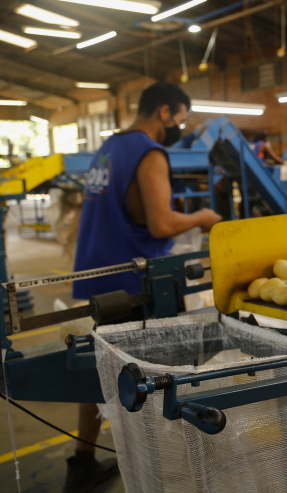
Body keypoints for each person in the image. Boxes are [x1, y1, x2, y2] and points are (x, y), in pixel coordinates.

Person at [68, 83, 222, 492]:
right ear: (165, 112)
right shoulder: (149, 152)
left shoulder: (108, 148)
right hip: (135, 281)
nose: (180, 127)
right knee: (154, 374)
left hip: (98, 278)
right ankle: (160, 466)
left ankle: (82, 462)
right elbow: (161, 225)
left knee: (101, 366)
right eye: (181, 119)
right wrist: (203, 216)